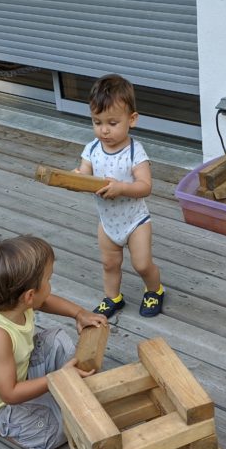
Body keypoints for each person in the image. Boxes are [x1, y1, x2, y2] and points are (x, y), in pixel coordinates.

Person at [0, 235, 107, 449]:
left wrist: (79, 313)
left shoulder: (14, 302)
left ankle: (61, 388)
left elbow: (46, 301)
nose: (50, 285)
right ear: (29, 296)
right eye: (48, 280)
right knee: (57, 431)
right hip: (1, 405)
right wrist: (58, 378)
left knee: (57, 339)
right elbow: (10, 394)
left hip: (20, 374)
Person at [76, 73, 165, 318]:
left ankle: (155, 290)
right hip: (107, 222)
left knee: (142, 264)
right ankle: (113, 297)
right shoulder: (91, 149)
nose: (104, 130)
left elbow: (145, 186)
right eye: (97, 122)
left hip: (135, 221)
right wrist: (76, 178)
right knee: (109, 264)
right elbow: (84, 175)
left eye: (112, 123)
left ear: (131, 119)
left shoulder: (135, 152)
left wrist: (122, 188)